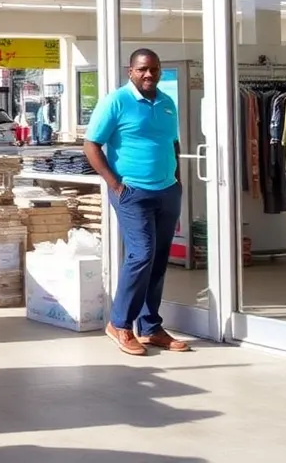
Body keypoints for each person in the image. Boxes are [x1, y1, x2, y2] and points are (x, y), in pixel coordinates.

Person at [84, 48, 188, 355]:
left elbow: (172, 143)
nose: (148, 74)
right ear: (130, 71)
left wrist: (177, 179)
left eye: (154, 69)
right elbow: (91, 145)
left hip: (167, 190)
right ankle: (120, 324)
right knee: (141, 255)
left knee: (158, 258)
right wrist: (115, 185)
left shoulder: (167, 103)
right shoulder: (116, 101)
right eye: (142, 69)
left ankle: (151, 327)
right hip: (132, 192)